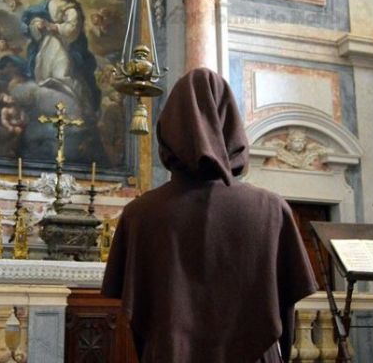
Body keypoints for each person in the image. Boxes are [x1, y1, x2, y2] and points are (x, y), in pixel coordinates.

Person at [101, 68, 317, 362]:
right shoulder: (272, 209)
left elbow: (137, 318)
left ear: (168, 130)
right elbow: (285, 307)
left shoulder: (138, 214)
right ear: (232, 128)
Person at [21, 0, 101, 115]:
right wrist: (37, 25)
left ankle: (74, 105)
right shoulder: (45, 5)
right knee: (43, 69)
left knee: (62, 70)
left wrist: (54, 26)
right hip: (45, 43)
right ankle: (49, 107)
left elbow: (72, 28)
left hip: (64, 43)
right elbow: (33, 20)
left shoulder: (71, 8)